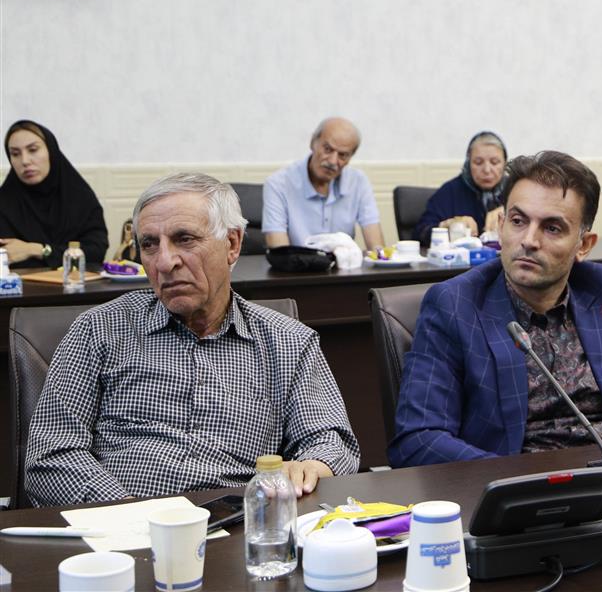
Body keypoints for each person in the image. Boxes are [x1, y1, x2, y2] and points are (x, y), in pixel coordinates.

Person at [24, 173, 360, 506]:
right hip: (119, 524)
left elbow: (331, 441)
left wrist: (312, 466)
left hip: (237, 523)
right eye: (149, 245)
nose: (165, 262)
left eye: (184, 239)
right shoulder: (100, 329)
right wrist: (128, 513)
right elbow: (51, 454)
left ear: (232, 244)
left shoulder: (288, 342)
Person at [388, 151, 602, 468]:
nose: (529, 240)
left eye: (552, 228)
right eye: (518, 221)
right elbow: (419, 439)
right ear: (501, 226)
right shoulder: (455, 304)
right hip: (515, 490)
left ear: (584, 245)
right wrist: (516, 481)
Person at [262, 117, 385, 250]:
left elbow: (377, 247)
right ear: (312, 143)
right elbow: (280, 252)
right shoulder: (278, 184)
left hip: (344, 262)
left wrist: (379, 256)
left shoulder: (358, 182)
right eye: (327, 149)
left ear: (350, 157)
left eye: (343, 155)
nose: (332, 161)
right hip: (296, 263)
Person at [0, 120, 108, 268]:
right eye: (15, 154)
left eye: (33, 150)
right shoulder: (4, 203)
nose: (24, 161)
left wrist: (37, 250)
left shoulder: (79, 197)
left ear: (51, 151)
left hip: (77, 282)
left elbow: (96, 252)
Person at [413, 131, 508, 245]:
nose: (487, 170)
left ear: (505, 164)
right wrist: (447, 226)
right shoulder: (450, 191)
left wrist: (509, 212)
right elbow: (420, 232)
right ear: (468, 163)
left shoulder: (515, 189)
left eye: (495, 162)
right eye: (478, 162)